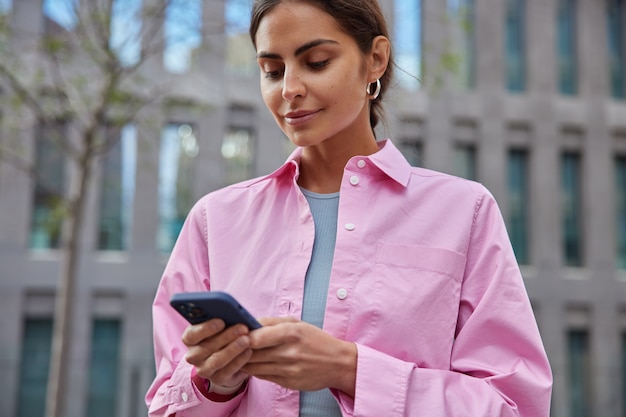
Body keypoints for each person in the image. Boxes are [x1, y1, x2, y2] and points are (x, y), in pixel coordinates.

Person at [145, 0, 553, 415]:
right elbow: (165, 406)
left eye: (317, 62)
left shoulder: (465, 211)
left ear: (375, 59)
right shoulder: (216, 220)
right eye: (272, 70)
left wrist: (348, 370)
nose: (289, 89)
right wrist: (216, 383)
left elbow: (513, 406)